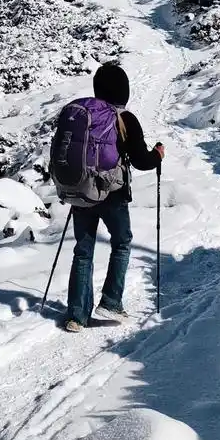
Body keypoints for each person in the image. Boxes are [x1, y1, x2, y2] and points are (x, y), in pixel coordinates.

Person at [62, 63, 164, 333]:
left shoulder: (84, 116)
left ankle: (76, 315)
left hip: (81, 192)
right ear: (123, 90)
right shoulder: (124, 118)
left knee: (83, 252)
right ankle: (111, 301)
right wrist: (158, 154)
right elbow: (142, 161)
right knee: (121, 243)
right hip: (112, 194)